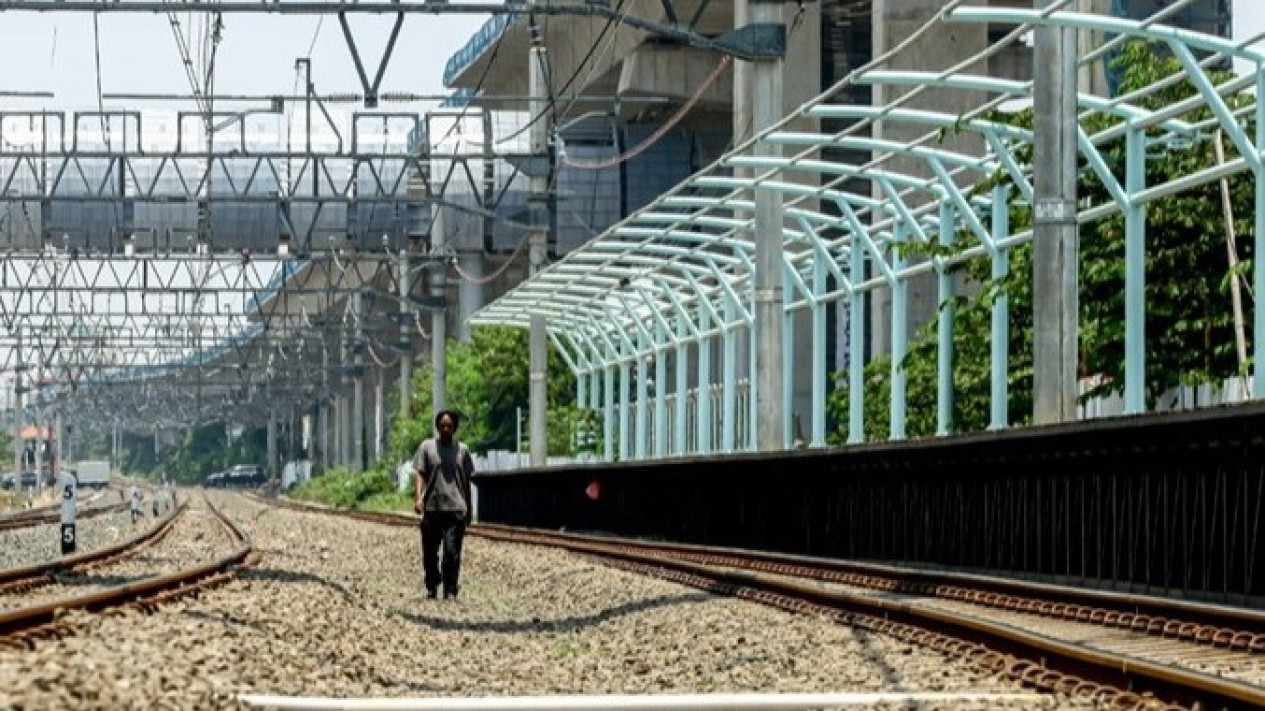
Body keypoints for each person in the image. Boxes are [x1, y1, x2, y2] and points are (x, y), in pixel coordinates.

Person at [412, 410, 475, 600]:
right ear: (438, 427)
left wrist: (469, 509)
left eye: (449, 426)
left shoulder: (462, 451)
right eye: (442, 425)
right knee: (430, 553)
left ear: (455, 428)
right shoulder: (427, 447)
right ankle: (432, 585)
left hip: (456, 509)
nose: (445, 429)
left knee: (451, 552)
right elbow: (421, 474)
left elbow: (466, 482)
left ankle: (450, 588)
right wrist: (418, 498)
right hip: (433, 507)